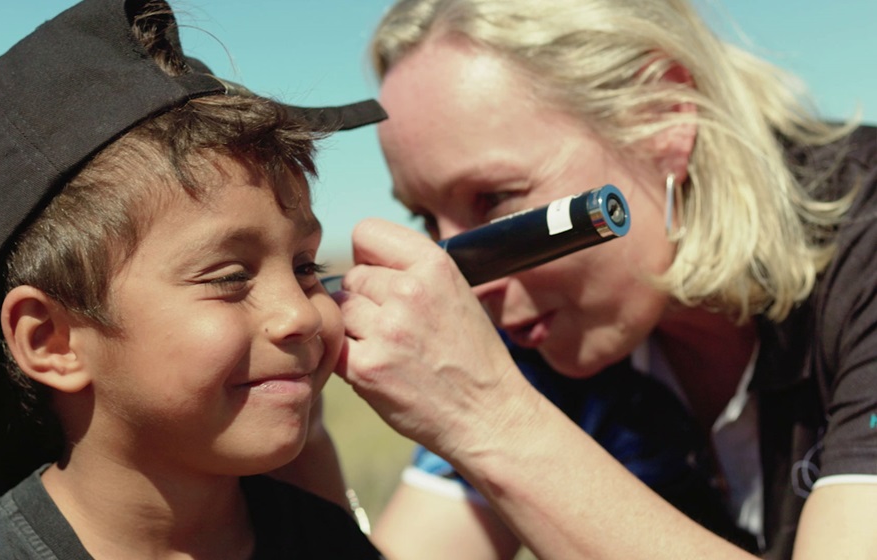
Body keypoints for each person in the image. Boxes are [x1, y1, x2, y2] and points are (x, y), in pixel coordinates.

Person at [332, 0, 877, 558]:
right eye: (427, 219)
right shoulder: (538, 325)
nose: (469, 281)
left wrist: (488, 416)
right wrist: (296, 452)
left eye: (493, 200)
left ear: (662, 118)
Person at [0, 0, 387, 557]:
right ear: (52, 341)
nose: (304, 314)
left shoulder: (327, 541)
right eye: (231, 276)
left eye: (306, 267)